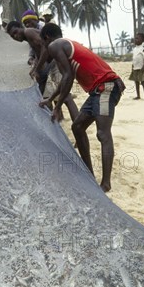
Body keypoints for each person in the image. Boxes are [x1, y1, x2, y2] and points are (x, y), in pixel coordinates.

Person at [39, 23, 126, 193]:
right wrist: (51, 98)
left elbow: (68, 76)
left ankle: (106, 183)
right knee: (77, 126)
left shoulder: (55, 45)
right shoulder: (65, 46)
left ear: (47, 38)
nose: (45, 50)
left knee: (103, 133)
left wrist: (56, 108)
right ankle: (89, 175)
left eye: (43, 45)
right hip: (96, 91)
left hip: (106, 87)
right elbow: (66, 78)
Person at [6, 21, 78, 123]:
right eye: (12, 36)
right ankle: (56, 120)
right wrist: (34, 68)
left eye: (16, 32)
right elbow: (38, 53)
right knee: (44, 93)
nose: (15, 36)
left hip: (56, 62)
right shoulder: (28, 38)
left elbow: (45, 47)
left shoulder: (29, 32)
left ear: (21, 27)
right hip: (51, 64)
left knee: (66, 97)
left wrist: (37, 69)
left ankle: (77, 124)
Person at [129, 32, 144, 100]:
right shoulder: (134, 49)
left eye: (137, 38)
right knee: (136, 82)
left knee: (143, 81)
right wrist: (132, 66)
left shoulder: (143, 48)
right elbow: (134, 58)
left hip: (141, 68)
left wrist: (143, 67)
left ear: (142, 40)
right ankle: (138, 95)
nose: (136, 40)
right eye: (135, 38)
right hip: (135, 67)